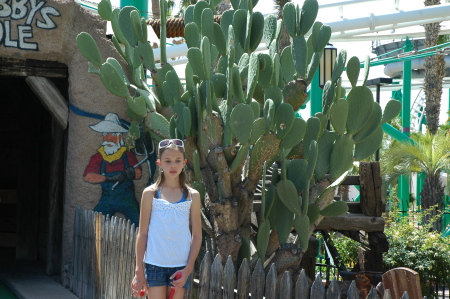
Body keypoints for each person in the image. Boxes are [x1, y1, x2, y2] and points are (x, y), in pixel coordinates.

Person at [131, 139, 202, 299]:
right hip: (155, 264)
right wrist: (138, 271)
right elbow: (142, 234)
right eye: (167, 161)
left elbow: (197, 236)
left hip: (180, 267)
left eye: (177, 161)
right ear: (159, 163)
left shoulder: (192, 196)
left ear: (184, 163)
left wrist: (188, 269)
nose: (173, 165)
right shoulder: (150, 193)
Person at [83, 113, 142, 225]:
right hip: (108, 199)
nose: (107, 138)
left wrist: (130, 174)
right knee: (94, 222)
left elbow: (138, 173)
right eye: (105, 134)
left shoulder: (127, 154)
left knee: (137, 223)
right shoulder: (98, 157)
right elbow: (88, 176)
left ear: (119, 136)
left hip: (127, 199)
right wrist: (108, 179)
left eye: (112, 134)